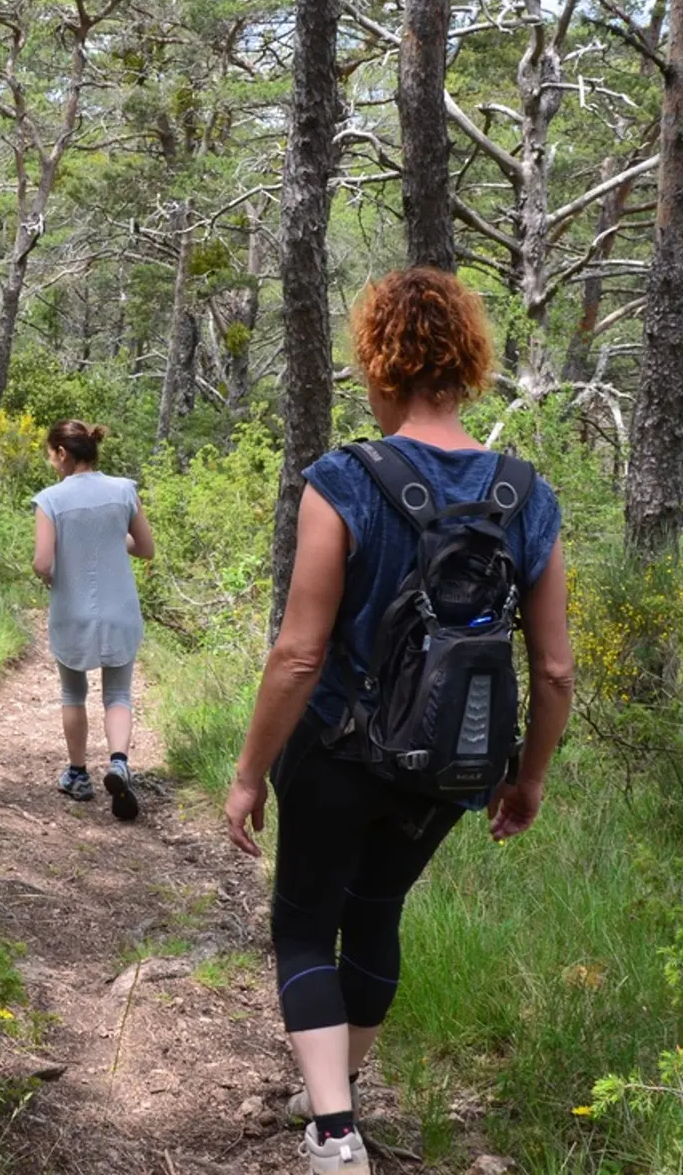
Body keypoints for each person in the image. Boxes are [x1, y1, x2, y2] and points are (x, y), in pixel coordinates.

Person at [223, 268, 574, 1174]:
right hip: (449, 764)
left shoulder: (342, 479)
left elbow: (298, 656)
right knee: (376, 913)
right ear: (468, 361)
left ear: (379, 363)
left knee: (304, 926)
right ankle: (334, 1087)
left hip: (337, 752)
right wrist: (525, 776)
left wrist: (248, 773)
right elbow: (557, 669)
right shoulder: (527, 496)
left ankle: (334, 1132)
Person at [33, 420, 156, 820]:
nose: (52, 463)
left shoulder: (50, 500)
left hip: (72, 612)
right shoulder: (124, 490)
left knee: (74, 694)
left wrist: (51, 571)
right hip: (120, 610)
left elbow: (42, 562)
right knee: (118, 694)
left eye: (52, 456)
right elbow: (146, 548)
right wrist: (110, 539)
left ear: (63, 453)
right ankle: (119, 763)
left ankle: (78, 774)